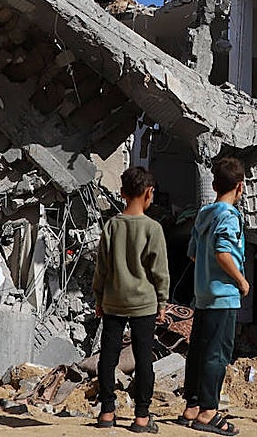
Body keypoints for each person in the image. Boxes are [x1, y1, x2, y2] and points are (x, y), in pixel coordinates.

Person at [93, 166, 170, 432]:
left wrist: (99, 298)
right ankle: (141, 417)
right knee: (143, 358)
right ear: (149, 193)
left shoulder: (112, 226)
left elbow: (101, 267)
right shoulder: (153, 228)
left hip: (113, 302)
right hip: (144, 305)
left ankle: (106, 412)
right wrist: (162, 302)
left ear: (123, 193)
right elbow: (159, 270)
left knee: (108, 357)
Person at [176, 157, 248, 435]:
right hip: (223, 295)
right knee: (217, 354)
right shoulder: (229, 216)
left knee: (199, 351)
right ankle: (208, 412)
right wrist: (241, 281)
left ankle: (191, 406)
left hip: (203, 294)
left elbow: (194, 253)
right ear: (240, 187)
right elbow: (223, 252)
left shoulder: (204, 214)